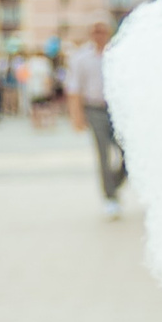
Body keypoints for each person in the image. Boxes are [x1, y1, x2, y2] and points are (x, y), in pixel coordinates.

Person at [64, 21, 127, 220]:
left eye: (103, 30)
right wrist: (77, 117)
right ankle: (110, 198)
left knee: (128, 152)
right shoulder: (81, 58)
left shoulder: (119, 53)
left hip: (118, 110)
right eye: (95, 31)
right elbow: (74, 89)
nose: (99, 34)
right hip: (95, 109)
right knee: (103, 155)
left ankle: (114, 183)